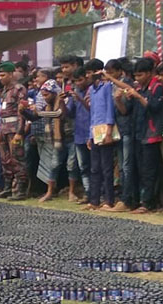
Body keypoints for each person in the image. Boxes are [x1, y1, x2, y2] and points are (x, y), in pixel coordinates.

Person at [105, 57, 163, 214]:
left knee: (149, 171)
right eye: (136, 76)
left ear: (150, 73)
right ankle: (136, 201)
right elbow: (125, 111)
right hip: (137, 133)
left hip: (152, 134)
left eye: (141, 75)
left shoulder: (157, 87)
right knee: (137, 169)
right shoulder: (139, 88)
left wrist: (138, 97)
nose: (138, 79)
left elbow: (155, 107)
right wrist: (118, 100)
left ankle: (148, 203)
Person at [20, 79, 66, 203]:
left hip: (64, 138)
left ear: (54, 92)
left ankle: (53, 191)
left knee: (57, 164)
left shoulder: (61, 101)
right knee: (48, 164)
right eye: (43, 96)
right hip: (50, 138)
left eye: (47, 95)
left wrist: (39, 111)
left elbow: (58, 113)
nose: (45, 98)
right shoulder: (48, 105)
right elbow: (36, 117)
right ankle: (51, 190)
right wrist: (23, 111)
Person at [83, 58, 116, 211]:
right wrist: (90, 135)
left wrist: (109, 131)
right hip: (95, 130)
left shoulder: (107, 86)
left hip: (105, 129)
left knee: (107, 168)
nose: (87, 76)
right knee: (95, 168)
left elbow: (110, 109)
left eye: (89, 73)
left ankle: (109, 200)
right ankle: (94, 200)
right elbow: (93, 114)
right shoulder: (92, 90)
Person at [0, 61, 29, 200]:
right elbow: (1, 112)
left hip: (14, 129)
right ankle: (7, 187)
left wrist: (20, 132)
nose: (0, 78)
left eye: (3, 75)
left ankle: (20, 190)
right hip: (3, 128)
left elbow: (22, 112)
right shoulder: (4, 91)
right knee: (5, 160)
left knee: (17, 159)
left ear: (11, 74)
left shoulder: (19, 89)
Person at [105, 58, 136, 212]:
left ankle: (127, 199)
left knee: (127, 166)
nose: (108, 76)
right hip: (118, 129)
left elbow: (125, 110)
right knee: (122, 167)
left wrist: (118, 101)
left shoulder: (125, 84)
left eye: (111, 73)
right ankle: (123, 198)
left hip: (128, 129)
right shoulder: (110, 86)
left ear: (119, 71)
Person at [67, 67, 92, 203]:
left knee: (95, 166)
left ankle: (96, 194)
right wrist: (62, 103)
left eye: (80, 80)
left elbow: (92, 109)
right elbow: (69, 113)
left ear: (87, 77)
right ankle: (88, 193)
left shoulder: (91, 90)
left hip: (92, 134)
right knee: (83, 167)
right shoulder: (75, 92)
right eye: (75, 81)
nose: (78, 83)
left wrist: (80, 99)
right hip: (79, 134)